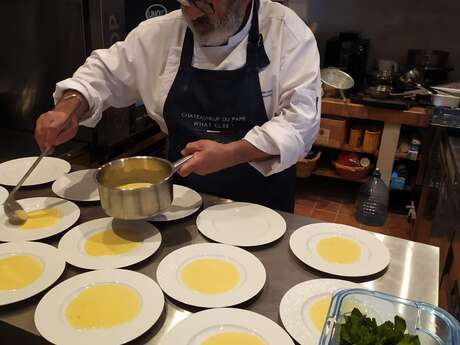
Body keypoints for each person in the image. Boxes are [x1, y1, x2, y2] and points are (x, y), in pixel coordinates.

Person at [35, 0, 320, 212]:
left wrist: (231, 153)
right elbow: (103, 73)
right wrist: (68, 108)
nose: (192, 13)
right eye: (185, 3)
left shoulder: (285, 32)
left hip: (261, 209)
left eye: (203, 4)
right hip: (180, 202)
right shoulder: (163, 32)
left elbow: (300, 125)